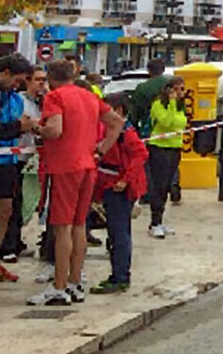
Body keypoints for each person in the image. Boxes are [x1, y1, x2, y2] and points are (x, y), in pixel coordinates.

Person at [28, 60, 121, 306]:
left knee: (61, 227)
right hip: (88, 164)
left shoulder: (55, 97)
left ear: (50, 78)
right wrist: (101, 150)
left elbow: (55, 130)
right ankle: (74, 281)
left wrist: (35, 127)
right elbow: (116, 122)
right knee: (79, 224)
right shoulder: (89, 96)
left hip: (64, 166)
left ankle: (58, 287)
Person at [0, 54, 35, 285]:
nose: (17, 86)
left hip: (6, 160)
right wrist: (17, 127)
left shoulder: (11, 96)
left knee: (5, 210)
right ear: (4, 72)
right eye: (16, 80)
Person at [91, 93, 148, 294]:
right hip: (110, 184)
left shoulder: (125, 132)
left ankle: (120, 276)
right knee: (117, 232)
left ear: (119, 111)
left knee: (119, 233)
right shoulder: (115, 131)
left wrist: (125, 180)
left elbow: (140, 154)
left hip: (119, 187)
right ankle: (119, 274)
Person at [0, 66, 46, 263]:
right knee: (12, 203)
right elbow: (22, 122)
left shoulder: (41, 102)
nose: (42, 84)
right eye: (38, 80)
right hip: (13, 157)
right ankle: (8, 245)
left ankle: (16, 240)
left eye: (44, 80)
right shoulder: (20, 101)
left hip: (29, 158)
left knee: (25, 203)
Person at [143, 75, 186, 239]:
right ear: (168, 90)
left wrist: (175, 107)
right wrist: (172, 103)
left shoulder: (180, 106)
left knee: (168, 184)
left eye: (182, 89)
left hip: (175, 147)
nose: (180, 92)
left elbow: (181, 122)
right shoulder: (158, 105)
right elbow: (167, 122)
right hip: (160, 148)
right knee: (158, 185)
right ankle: (154, 222)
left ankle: (160, 220)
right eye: (176, 89)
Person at [126, 57, 168, 139]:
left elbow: (134, 112)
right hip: (174, 132)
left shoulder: (142, 88)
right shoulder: (174, 85)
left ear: (148, 70)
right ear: (163, 70)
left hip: (150, 131)